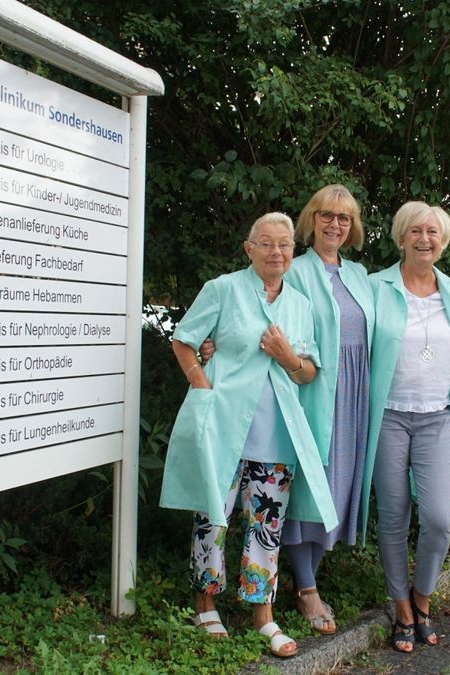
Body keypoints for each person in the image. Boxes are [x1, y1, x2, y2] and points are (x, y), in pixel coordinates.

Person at [159, 212, 338, 659]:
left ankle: (263, 613)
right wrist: (202, 384)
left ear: (292, 253)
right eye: (267, 243)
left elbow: (310, 372)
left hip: (276, 433)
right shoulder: (223, 289)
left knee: (267, 526)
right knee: (211, 518)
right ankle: (206, 603)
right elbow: (184, 340)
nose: (276, 252)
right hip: (223, 425)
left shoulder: (299, 305)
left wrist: (286, 356)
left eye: (284, 245)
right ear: (249, 248)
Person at [363, 201, 450, 653]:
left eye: (433, 232)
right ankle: (402, 610)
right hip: (388, 415)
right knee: (392, 518)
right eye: (415, 231)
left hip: (437, 417)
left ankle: (422, 599)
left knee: (439, 519)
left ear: (442, 243)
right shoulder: (375, 286)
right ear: (401, 237)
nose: (424, 238)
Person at [279, 185, 375, 635]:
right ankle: (306, 587)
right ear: (311, 220)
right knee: (310, 487)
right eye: (327, 216)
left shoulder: (359, 276)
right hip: (314, 393)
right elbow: (268, 311)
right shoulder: (296, 271)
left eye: (344, 218)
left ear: (352, 226)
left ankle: (307, 578)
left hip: (356, 395)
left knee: (336, 487)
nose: (335, 224)